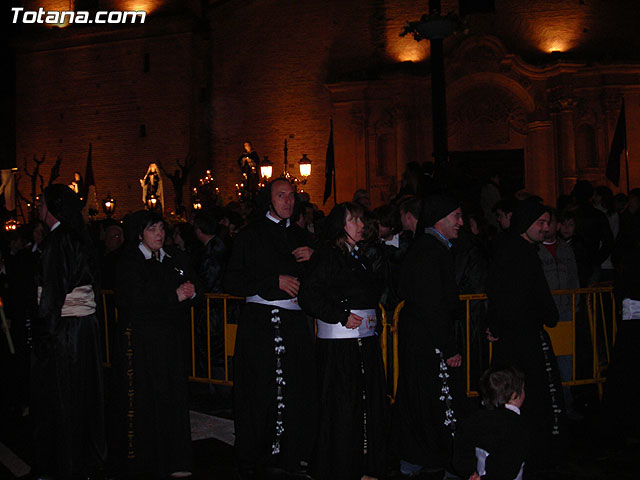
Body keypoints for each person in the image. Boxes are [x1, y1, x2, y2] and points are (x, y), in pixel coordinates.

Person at [223, 178, 316, 479]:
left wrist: (315, 260)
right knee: (259, 388)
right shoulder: (250, 236)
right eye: (281, 195)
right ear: (269, 199)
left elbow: (319, 282)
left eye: (291, 196)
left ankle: (292, 452)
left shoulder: (303, 236)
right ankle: (255, 454)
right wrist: (272, 282)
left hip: (294, 325)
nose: (288, 201)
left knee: (296, 387)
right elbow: (232, 281)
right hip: (260, 327)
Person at [298, 202, 387, 480]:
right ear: (340, 225)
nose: (361, 226)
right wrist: (340, 315)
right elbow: (309, 296)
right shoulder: (326, 256)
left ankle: (365, 461)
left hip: (364, 344)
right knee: (343, 406)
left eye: (362, 220)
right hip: (341, 349)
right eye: (354, 221)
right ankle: (342, 464)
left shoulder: (360, 255)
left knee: (366, 402)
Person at [114, 210, 199, 477]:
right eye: (152, 229)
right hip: (142, 343)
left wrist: (192, 291)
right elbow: (135, 300)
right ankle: (147, 460)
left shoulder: (172, 258)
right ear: (140, 234)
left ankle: (176, 458)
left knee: (172, 397)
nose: (159, 234)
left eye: (161, 228)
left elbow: (194, 281)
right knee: (147, 399)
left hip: (170, 341)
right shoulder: (129, 262)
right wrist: (173, 296)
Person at [31, 184, 105, 479]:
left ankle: (68, 465)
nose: (38, 208)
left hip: (65, 332)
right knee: (83, 393)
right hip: (84, 328)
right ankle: (86, 460)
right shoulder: (80, 236)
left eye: (41, 203)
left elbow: (53, 293)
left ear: (51, 207)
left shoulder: (59, 239)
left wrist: (42, 336)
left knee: (64, 397)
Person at [486, 198, 563, 475]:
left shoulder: (515, 249)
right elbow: (510, 296)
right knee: (524, 399)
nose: (545, 228)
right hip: (522, 340)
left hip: (516, 337)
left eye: (546, 223)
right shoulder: (517, 252)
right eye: (539, 223)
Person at [393, 193, 468, 476]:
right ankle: (437, 456)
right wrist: (448, 347)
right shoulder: (429, 251)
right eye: (456, 216)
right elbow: (432, 303)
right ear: (440, 218)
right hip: (428, 340)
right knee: (433, 397)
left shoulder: (432, 248)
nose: (461, 222)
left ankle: (419, 456)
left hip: (424, 336)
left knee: (421, 396)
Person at [451, 367, 529, 480]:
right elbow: (506, 464)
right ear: (514, 395)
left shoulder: (474, 418)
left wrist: (470, 472)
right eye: (522, 389)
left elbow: (461, 449)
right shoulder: (515, 425)